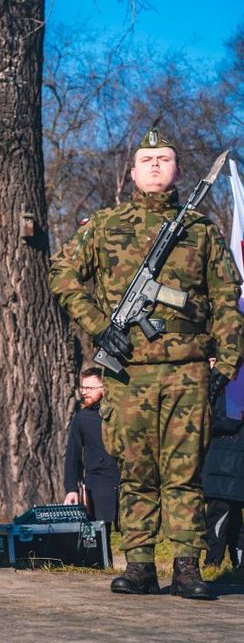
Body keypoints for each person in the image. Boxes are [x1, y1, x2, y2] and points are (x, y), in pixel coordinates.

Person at [49, 129, 244, 600]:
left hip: (188, 371)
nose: (155, 165)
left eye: (164, 158)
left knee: (184, 474)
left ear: (177, 170)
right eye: (147, 159)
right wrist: (99, 325)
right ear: (133, 171)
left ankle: (186, 567)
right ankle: (138, 566)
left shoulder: (200, 231)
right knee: (136, 472)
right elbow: (62, 273)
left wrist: (227, 363)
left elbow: (226, 299)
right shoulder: (104, 225)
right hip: (128, 371)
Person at [62, 367, 120, 525]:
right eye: (83, 387)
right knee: (99, 538)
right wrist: (71, 489)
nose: (84, 392)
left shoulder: (121, 414)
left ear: (104, 388)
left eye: (89, 388)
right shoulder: (82, 418)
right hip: (97, 486)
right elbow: (73, 455)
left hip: (124, 482)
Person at [202, 376, 244, 569]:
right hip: (228, 463)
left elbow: (228, 421)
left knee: (219, 516)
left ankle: (213, 562)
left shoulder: (234, 384)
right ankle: (238, 564)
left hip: (227, 463)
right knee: (233, 519)